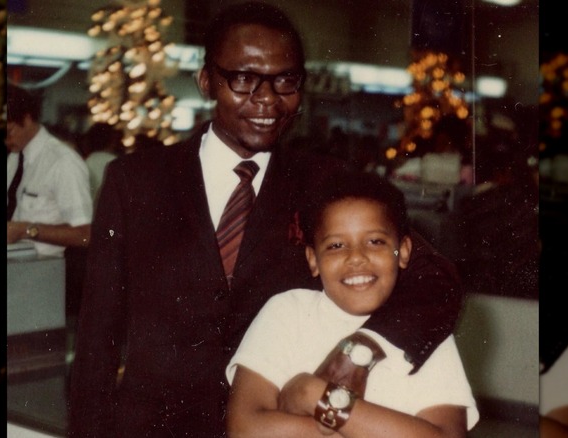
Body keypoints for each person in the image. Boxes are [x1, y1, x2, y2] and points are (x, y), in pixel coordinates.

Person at [69, 2, 463, 436]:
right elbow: (97, 337)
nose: (267, 101)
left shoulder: (325, 183)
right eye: (242, 79)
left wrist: (362, 348)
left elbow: (436, 278)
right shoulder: (136, 181)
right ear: (206, 81)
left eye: (285, 82)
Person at [226, 171, 478, 437]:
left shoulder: (424, 332)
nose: (356, 257)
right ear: (313, 259)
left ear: (403, 251)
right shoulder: (287, 312)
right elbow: (246, 430)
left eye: (375, 241)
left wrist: (312, 394)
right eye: (336, 245)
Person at [5, 85, 92, 257]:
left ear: (27, 119)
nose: (6, 141)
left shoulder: (62, 162)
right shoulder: (14, 159)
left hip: (46, 271)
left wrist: (27, 230)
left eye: (9, 132)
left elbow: (85, 235)